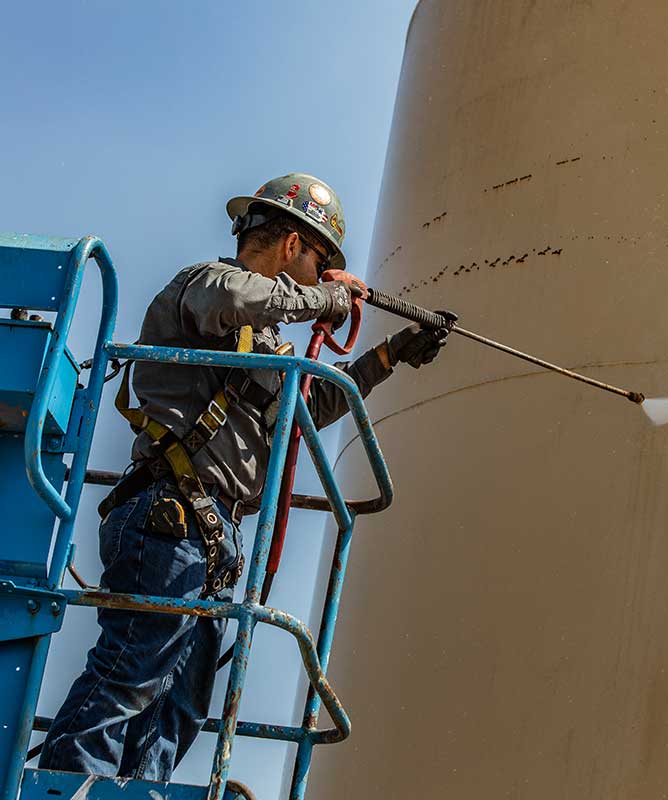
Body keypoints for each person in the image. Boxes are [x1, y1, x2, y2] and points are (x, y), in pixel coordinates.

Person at [39, 173, 449, 780]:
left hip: (208, 543)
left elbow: (309, 410)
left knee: (180, 705)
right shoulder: (206, 285)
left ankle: (138, 792)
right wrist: (330, 300)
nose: (322, 278)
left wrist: (387, 357)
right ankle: (64, 788)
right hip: (165, 518)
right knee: (133, 671)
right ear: (291, 246)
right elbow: (239, 298)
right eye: (320, 262)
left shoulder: (264, 343)